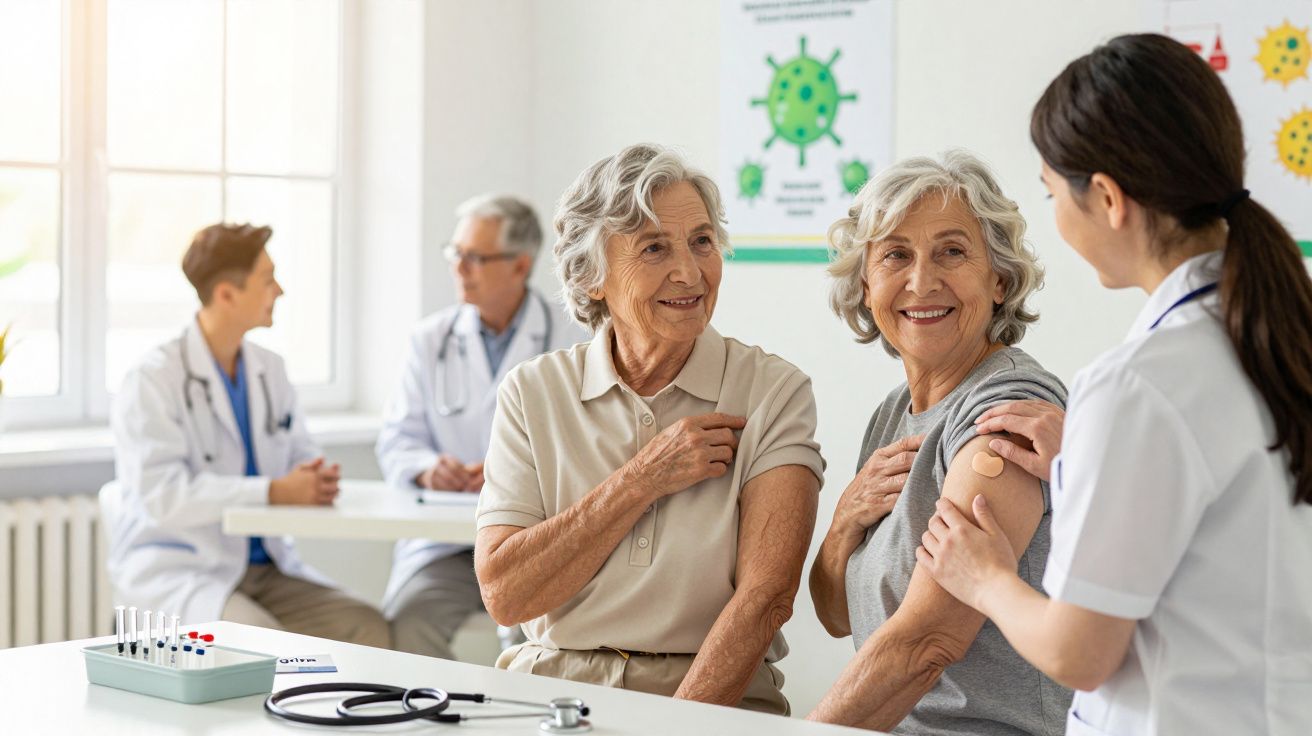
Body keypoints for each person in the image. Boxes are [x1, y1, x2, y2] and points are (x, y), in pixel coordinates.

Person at [917, 34, 1312, 736]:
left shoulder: (1138, 387)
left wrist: (987, 579)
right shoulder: (1281, 338)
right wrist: (1086, 465)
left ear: (1106, 197)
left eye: (1051, 194)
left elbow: (1080, 653)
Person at [473, 143, 825, 715]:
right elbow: (506, 595)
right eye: (654, 248)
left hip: (712, 699)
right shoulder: (532, 391)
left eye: (702, 242)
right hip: (551, 692)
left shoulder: (773, 390)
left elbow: (767, 598)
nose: (689, 272)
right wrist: (640, 481)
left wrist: (673, 727)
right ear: (592, 277)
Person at [808, 151, 1071, 734]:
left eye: (952, 252)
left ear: (998, 279)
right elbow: (834, 614)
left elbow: (928, 640)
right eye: (896, 255)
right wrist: (842, 525)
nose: (922, 281)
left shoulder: (1008, 409)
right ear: (867, 284)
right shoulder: (892, 416)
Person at [109, 223, 390, 647]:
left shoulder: (268, 370)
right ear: (226, 294)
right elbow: (162, 496)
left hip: (267, 569)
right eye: (267, 279)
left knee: (367, 626)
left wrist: (313, 476)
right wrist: (275, 491)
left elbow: (299, 449)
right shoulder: (152, 379)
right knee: (262, 641)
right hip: (184, 568)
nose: (279, 290)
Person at [376, 194, 586, 659]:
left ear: (519, 265)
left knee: (548, 641)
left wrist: (507, 477)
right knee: (408, 623)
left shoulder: (573, 339)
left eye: (475, 257)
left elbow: (590, 448)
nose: (460, 268)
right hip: (445, 548)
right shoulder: (430, 339)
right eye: (456, 254)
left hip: (534, 543)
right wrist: (430, 468)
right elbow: (397, 438)